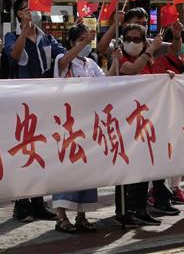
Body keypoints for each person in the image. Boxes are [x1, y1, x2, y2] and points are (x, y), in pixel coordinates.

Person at [50, 24, 119, 233]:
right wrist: (80, 44)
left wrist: (115, 61)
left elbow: (105, 82)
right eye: (80, 39)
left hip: (89, 123)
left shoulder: (91, 63)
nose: (85, 44)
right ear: (71, 42)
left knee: (87, 170)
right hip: (67, 124)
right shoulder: (62, 60)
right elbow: (63, 62)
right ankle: (61, 217)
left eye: (87, 40)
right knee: (66, 170)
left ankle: (82, 215)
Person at [1, 0, 61, 223]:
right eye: (25, 9)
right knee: (23, 153)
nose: (30, 13)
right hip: (21, 104)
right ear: (18, 14)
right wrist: (24, 32)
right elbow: (14, 56)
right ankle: (20, 204)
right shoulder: (12, 36)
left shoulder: (47, 38)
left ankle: (38, 201)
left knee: (41, 152)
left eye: (32, 9)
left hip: (44, 102)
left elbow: (62, 58)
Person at [115, 22, 165, 226]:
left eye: (137, 39)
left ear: (144, 41)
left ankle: (141, 209)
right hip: (124, 121)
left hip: (145, 121)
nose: (132, 43)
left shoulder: (149, 60)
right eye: (128, 39)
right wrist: (150, 50)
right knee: (126, 167)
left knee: (145, 166)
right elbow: (132, 69)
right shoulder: (120, 58)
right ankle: (124, 211)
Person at [148, 23, 184, 206]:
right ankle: (157, 190)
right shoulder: (159, 59)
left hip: (180, 111)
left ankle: (175, 187)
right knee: (162, 151)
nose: (182, 45)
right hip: (162, 112)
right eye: (178, 39)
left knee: (179, 150)